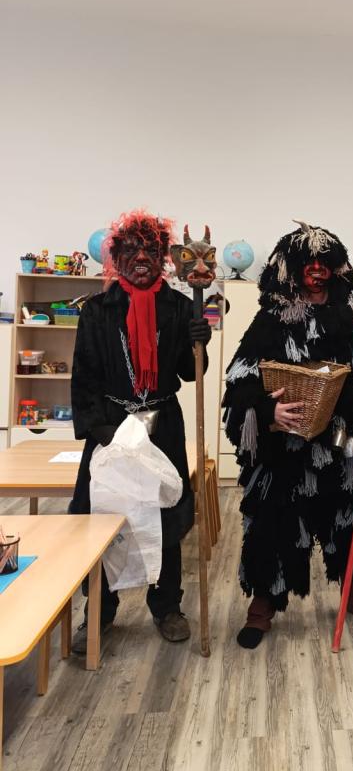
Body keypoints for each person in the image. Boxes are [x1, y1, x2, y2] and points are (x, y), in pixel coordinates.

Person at [222, 221, 353, 649]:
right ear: (291, 269)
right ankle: (261, 609)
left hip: (347, 446)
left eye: (325, 262)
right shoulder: (272, 320)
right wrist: (268, 410)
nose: (317, 270)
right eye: (308, 262)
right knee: (273, 525)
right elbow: (239, 382)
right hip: (288, 448)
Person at [69, 209, 211, 652]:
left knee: (165, 515)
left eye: (150, 249)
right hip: (112, 427)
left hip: (162, 424)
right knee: (103, 518)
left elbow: (190, 373)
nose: (142, 258)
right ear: (116, 257)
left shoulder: (180, 307)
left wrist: (199, 341)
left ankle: (167, 607)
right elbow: (84, 376)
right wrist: (102, 431)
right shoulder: (98, 311)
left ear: (164, 256)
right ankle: (100, 611)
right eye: (131, 250)